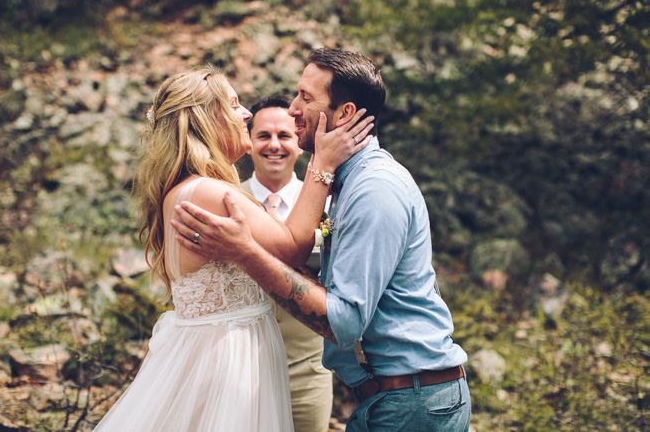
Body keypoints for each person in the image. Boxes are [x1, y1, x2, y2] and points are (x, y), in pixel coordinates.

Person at [172, 48, 472, 431]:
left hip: (414, 403)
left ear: (344, 114)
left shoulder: (374, 189)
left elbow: (344, 322)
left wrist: (245, 252)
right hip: (387, 398)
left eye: (305, 98)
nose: (293, 108)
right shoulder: (344, 185)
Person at [93, 66, 374, 432]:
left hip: (221, 351)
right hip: (227, 360)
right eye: (235, 104)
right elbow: (291, 249)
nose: (245, 114)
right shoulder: (210, 192)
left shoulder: (190, 187)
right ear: (207, 118)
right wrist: (322, 162)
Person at [241, 95, 333, 432]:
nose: (274, 145)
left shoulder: (328, 204)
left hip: (307, 370)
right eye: (264, 135)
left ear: (300, 143)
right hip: (240, 371)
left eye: (284, 135)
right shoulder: (225, 199)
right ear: (249, 143)